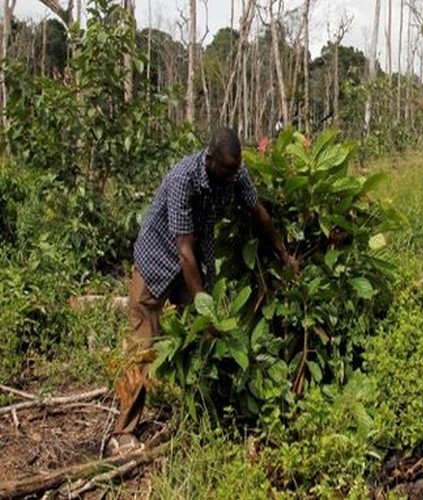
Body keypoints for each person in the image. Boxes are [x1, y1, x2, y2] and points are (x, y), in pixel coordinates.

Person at [108, 127, 298, 456]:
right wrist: (204, 308)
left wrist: (284, 255)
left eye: (235, 169)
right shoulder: (184, 178)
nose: (231, 176)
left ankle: (196, 411)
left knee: (199, 341)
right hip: (157, 259)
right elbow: (183, 249)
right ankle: (122, 433)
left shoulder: (236, 174)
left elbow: (258, 213)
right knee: (142, 346)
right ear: (210, 160)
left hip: (191, 264)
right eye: (226, 169)